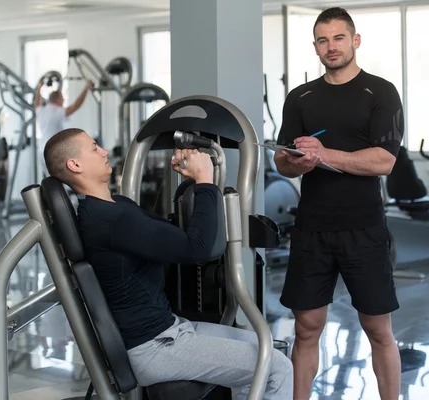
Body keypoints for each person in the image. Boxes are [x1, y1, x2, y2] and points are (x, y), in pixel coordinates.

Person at [43, 128, 293, 399]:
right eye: (93, 148)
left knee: (266, 345)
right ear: (75, 164)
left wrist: (194, 183)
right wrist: (204, 179)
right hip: (156, 347)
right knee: (277, 367)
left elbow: (176, 237)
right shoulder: (111, 221)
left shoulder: (116, 206)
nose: (104, 152)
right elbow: (199, 249)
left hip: (170, 330)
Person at [274, 7, 403, 400]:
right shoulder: (301, 97)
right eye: (323, 40)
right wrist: (296, 161)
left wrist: (326, 155)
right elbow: (283, 163)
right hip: (312, 227)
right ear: (315, 46)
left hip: (364, 227)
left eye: (339, 38)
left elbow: (384, 160)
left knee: (378, 329)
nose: (331, 47)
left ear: (355, 40)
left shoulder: (380, 92)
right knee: (306, 328)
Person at [34, 80, 93, 175]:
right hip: (53, 151)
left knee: (49, 179)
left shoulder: (41, 111)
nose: (64, 100)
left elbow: (36, 103)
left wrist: (39, 88)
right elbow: (76, 106)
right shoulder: (56, 111)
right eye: (62, 98)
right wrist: (86, 88)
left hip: (42, 150)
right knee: (60, 178)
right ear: (57, 100)